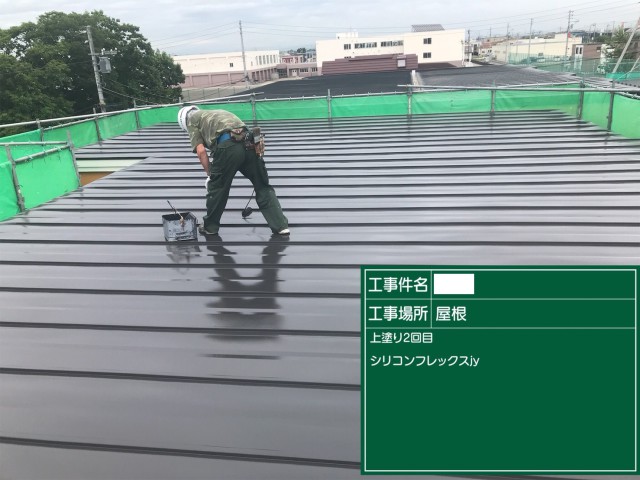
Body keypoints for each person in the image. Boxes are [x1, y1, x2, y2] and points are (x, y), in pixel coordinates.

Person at [177, 106, 289, 236]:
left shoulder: (192, 120)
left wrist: (210, 175)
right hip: (250, 144)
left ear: (184, 122)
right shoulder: (218, 112)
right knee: (262, 186)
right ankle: (281, 226)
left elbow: (201, 151)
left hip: (228, 147)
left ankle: (210, 227)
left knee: (218, 188)